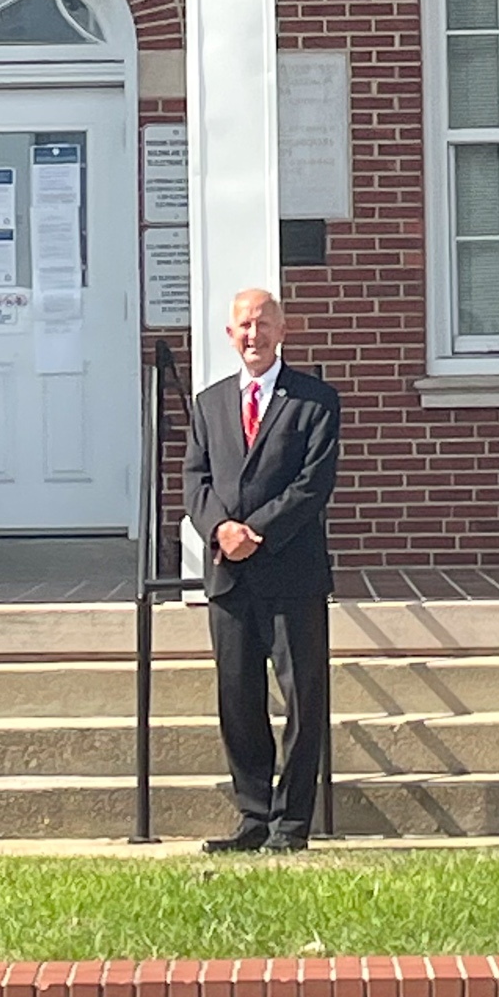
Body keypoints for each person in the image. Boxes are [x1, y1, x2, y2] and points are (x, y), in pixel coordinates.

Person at [183, 287, 341, 853]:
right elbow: (194, 482)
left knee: (302, 697)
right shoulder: (209, 404)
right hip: (230, 576)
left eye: (264, 324)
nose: (254, 335)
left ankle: (291, 825)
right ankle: (252, 817)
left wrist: (258, 531)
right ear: (230, 335)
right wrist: (221, 531)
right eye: (244, 326)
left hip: (290, 572)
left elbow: (312, 485)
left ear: (283, 330)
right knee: (238, 697)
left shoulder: (315, 401)